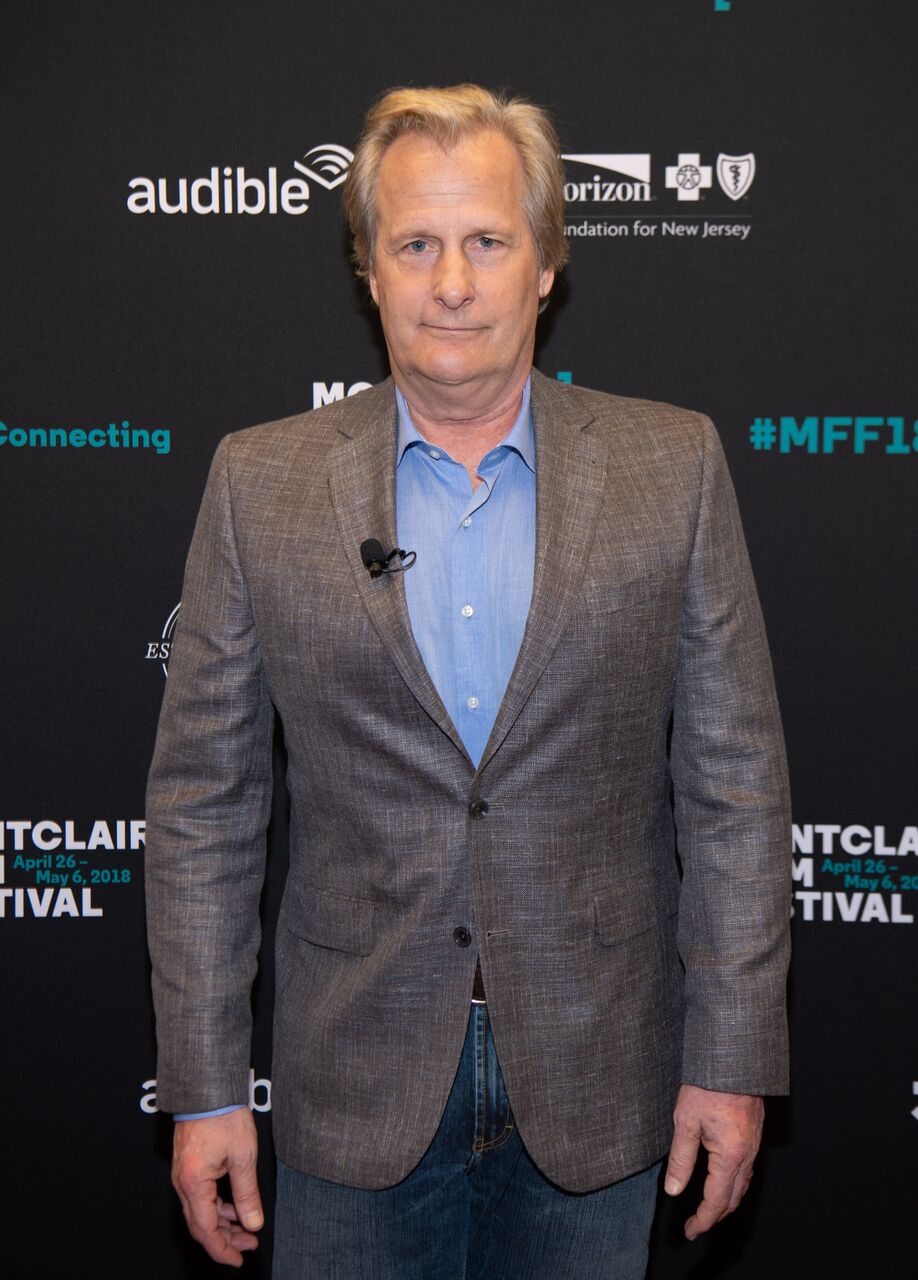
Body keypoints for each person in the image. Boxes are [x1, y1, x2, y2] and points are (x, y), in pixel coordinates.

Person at [145, 84, 791, 1278]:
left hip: (603, 1079)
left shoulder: (674, 465)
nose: (454, 282)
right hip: (352, 1088)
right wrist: (201, 1089)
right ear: (371, 272)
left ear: (545, 263)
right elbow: (203, 809)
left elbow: (738, 788)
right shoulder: (259, 483)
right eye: (417, 245)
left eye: (488, 241)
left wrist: (734, 1054)